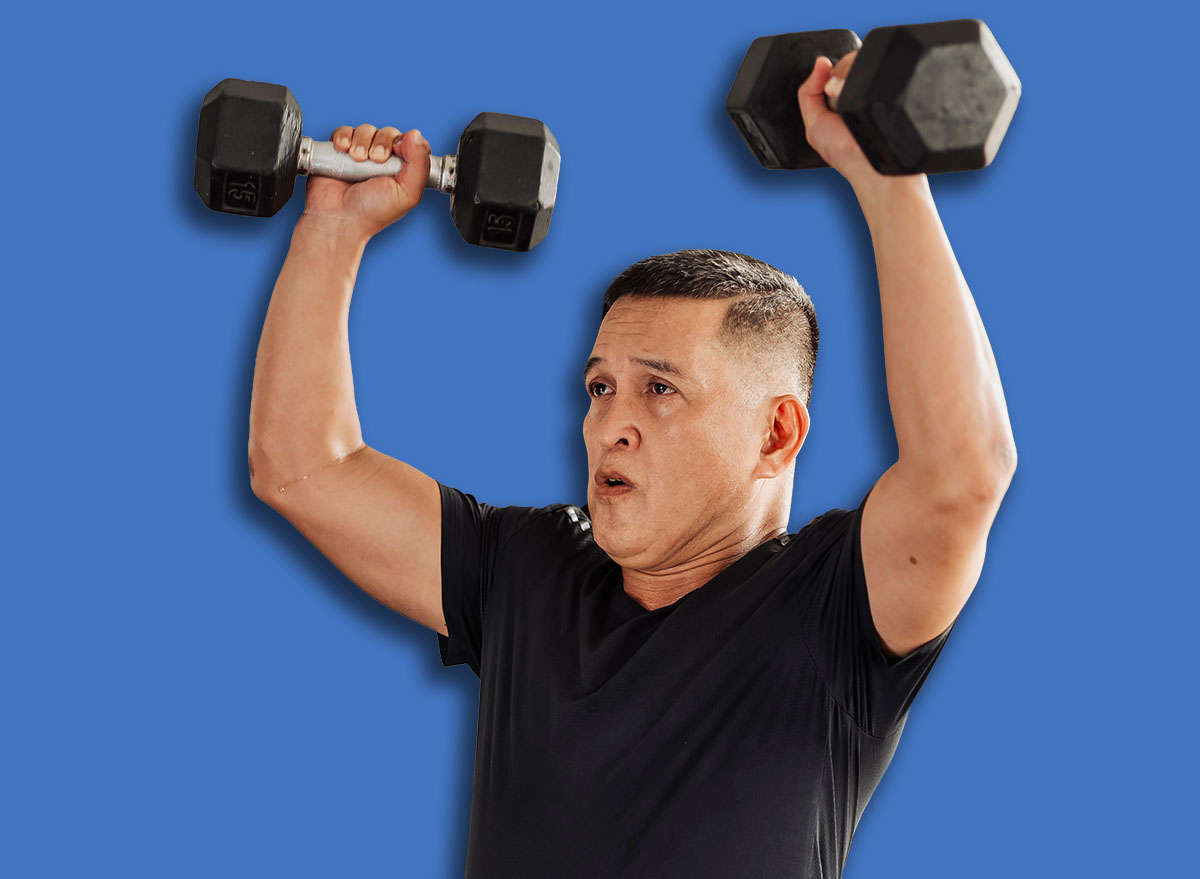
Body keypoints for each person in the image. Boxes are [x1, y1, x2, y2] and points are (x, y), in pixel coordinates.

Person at [248, 54, 1016, 878]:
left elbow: (962, 472)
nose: (609, 423)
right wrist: (332, 231)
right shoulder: (524, 572)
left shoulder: (833, 615)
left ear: (777, 435)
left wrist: (888, 179)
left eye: (660, 389)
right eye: (599, 386)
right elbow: (301, 465)